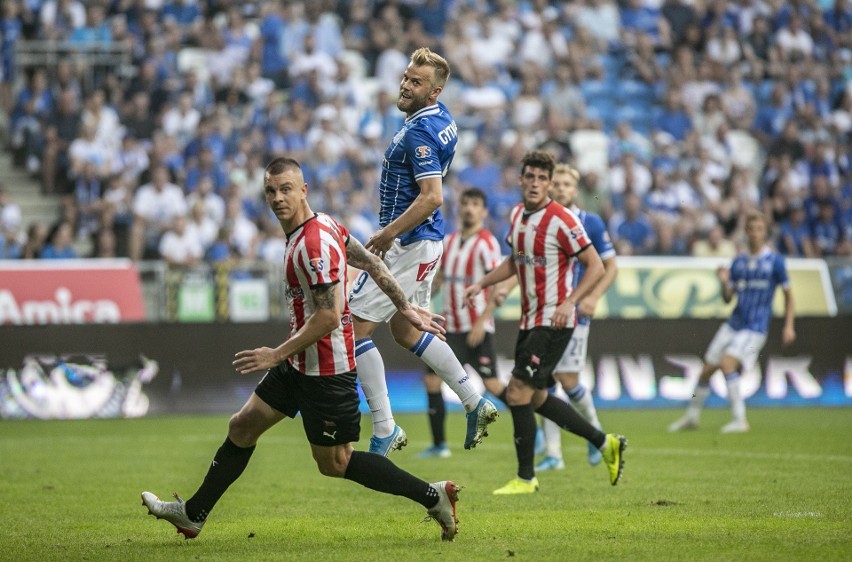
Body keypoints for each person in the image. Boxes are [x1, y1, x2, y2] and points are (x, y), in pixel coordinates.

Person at [142, 158, 461, 542]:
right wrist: (405, 306)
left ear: (303, 190)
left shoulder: (313, 244)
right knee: (242, 426)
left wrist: (275, 354)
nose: (278, 198)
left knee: (336, 463)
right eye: (271, 191)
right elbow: (371, 262)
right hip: (299, 364)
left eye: (286, 189)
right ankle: (193, 514)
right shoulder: (322, 224)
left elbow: (328, 317)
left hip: (327, 370)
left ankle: (433, 495)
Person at [347, 47, 498, 456]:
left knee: (352, 329)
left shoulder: (419, 133)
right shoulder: (443, 118)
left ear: (434, 91)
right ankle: (474, 401)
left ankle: (384, 427)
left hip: (406, 243)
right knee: (406, 328)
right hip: (425, 241)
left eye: (416, 82)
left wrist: (386, 234)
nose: (405, 85)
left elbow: (432, 197)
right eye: (406, 77)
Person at [464, 151, 627, 495]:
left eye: (542, 179)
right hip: (530, 319)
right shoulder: (517, 215)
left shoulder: (563, 220)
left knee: (517, 391)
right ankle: (603, 442)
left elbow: (595, 265)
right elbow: (514, 260)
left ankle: (526, 477)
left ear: (550, 184)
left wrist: (571, 302)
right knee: (536, 397)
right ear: (521, 180)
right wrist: (483, 283)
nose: (536, 184)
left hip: (553, 320)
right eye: (530, 177)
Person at [669, 211, 796, 433]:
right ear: (746, 232)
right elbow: (728, 298)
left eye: (759, 229)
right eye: (752, 229)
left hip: (755, 328)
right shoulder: (738, 262)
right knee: (706, 370)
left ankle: (740, 420)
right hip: (733, 324)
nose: (755, 234)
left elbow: (789, 295)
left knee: (727, 363)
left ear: (765, 233)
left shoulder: (775, 262)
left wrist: (788, 326)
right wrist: (724, 282)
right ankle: (691, 417)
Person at [534, 164, 619, 471]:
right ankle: (555, 454)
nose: (560, 188)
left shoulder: (590, 222)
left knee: (567, 381)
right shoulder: (542, 222)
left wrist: (593, 297)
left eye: (567, 184)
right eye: (556, 183)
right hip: (544, 311)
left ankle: (597, 438)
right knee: (542, 382)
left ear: (576, 189)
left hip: (574, 313)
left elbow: (610, 266)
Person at [418, 188, 509, 458]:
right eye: (465, 203)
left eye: (475, 204)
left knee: (492, 385)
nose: (469, 208)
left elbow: (496, 284)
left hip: (475, 327)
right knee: (432, 382)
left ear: (484, 211)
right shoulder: (451, 240)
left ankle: (532, 429)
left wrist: (482, 321)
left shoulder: (487, 243)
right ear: (459, 208)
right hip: (449, 327)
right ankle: (439, 445)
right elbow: (442, 278)